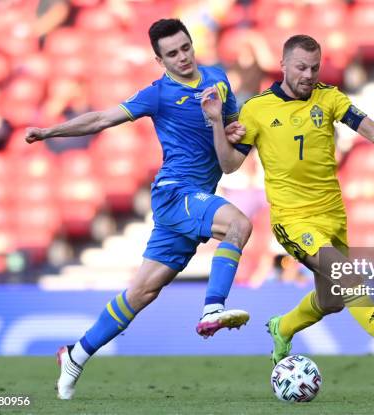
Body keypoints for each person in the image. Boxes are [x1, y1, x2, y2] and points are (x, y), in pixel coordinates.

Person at [201, 34, 374, 379]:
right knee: (348, 277)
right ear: (283, 65)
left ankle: (283, 327)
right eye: (301, 67)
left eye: (314, 67)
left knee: (333, 300)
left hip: (332, 217)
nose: (308, 74)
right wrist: (217, 123)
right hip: (293, 220)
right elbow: (229, 165)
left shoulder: (330, 98)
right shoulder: (257, 109)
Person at [25, 19, 252, 399]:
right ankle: (213, 307)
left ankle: (75, 356)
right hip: (174, 192)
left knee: (143, 291)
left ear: (193, 45)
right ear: (158, 60)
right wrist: (49, 131)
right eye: (172, 54)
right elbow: (101, 119)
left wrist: (225, 129)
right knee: (239, 224)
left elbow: (229, 163)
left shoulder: (218, 80)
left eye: (185, 48)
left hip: (195, 197)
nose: (182, 58)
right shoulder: (158, 95)